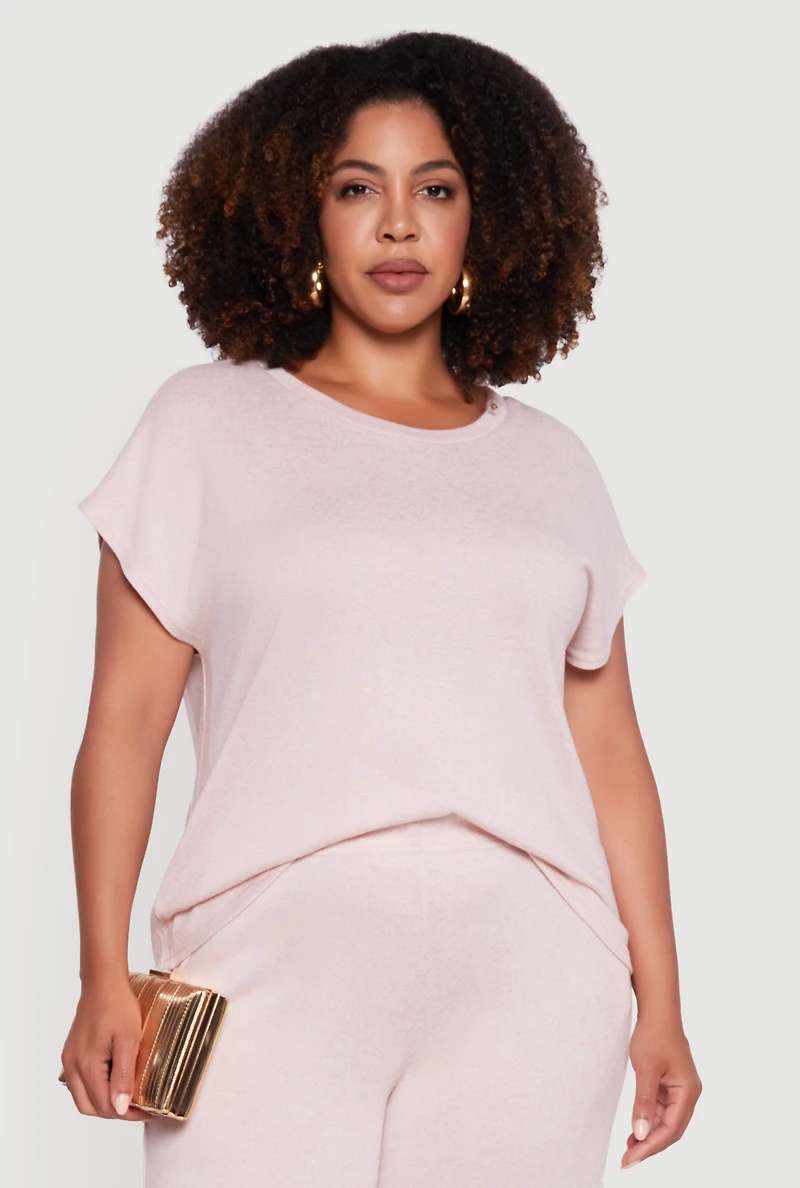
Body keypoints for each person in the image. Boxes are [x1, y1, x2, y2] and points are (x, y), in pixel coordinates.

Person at [60, 30, 702, 1187]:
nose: (397, 225)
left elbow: (609, 750)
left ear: (486, 219)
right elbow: (125, 721)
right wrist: (99, 969)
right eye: (356, 188)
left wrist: (659, 1001)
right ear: (298, 215)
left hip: (534, 973)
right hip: (262, 957)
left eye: (435, 190)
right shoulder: (203, 424)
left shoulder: (553, 463)